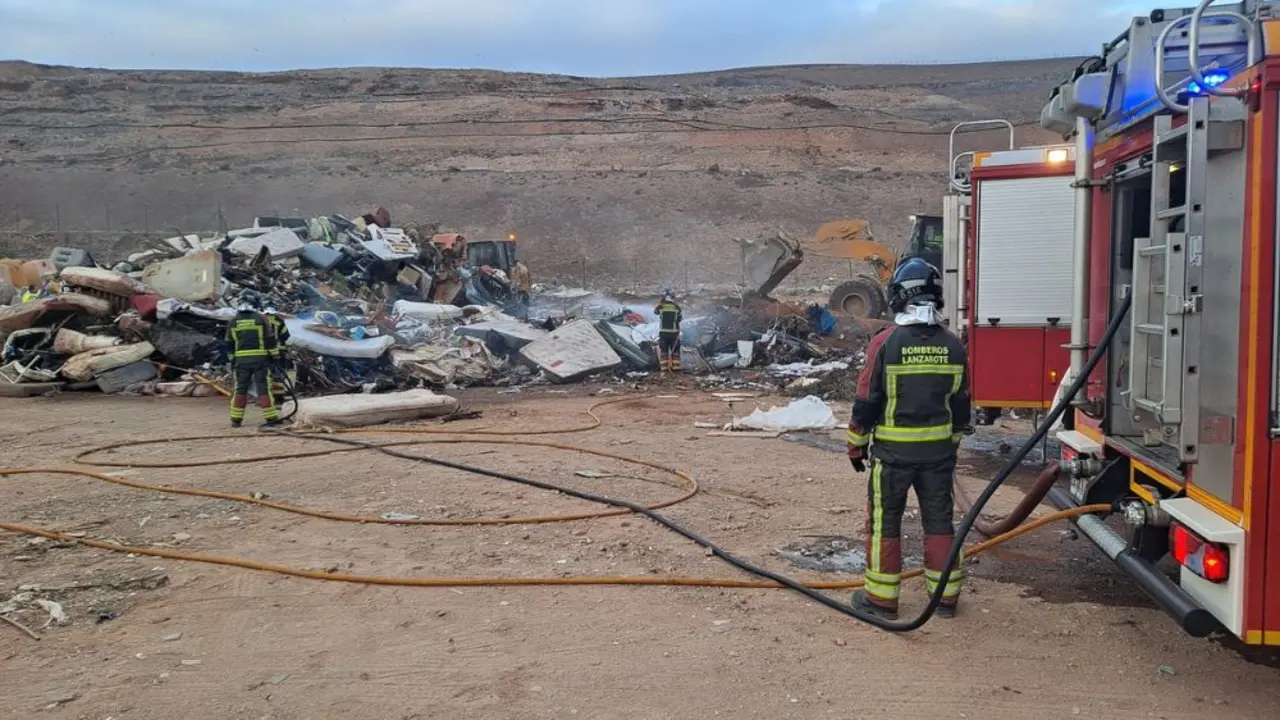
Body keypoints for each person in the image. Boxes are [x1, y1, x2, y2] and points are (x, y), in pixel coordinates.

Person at [846, 258, 971, 620]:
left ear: (898, 296)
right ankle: (945, 598)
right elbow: (962, 403)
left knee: (885, 524)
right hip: (938, 457)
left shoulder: (885, 343)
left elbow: (866, 400)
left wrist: (856, 445)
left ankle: (882, 600)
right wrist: (951, 446)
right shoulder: (953, 344)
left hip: (892, 457)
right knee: (940, 521)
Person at [226, 291, 283, 428]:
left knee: (240, 389)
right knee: (263, 389)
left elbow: (229, 343)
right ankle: (270, 418)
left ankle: (236, 420)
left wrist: (232, 360)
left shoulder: (233, 321)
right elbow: (270, 340)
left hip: (240, 361)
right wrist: (276, 357)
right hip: (260, 360)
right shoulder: (262, 318)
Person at [654, 290, 683, 373]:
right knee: (675, 352)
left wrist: (660, 304)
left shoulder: (661, 307)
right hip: (674, 334)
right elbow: (680, 319)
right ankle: (676, 370)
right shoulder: (677, 307)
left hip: (663, 334)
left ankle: (664, 370)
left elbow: (655, 312)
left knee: (664, 352)